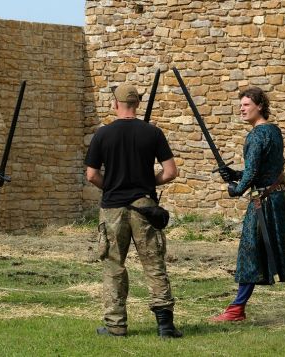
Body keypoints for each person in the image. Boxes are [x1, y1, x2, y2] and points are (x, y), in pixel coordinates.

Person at [84, 84, 182, 338]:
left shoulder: (103, 135)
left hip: (113, 209)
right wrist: (149, 183)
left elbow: (92, 175)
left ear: (115, 105)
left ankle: (116, 325)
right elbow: (170, 172)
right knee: (154, 264)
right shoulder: (153, 133)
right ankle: (165, 325)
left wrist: (112, 186)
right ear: (137, 104)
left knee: (114, 266)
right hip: (144, 207)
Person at [213, 87, 285, 322]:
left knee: (250, 251)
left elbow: (252, 173)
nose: (242, 108)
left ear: (260, 106)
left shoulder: (256, 135)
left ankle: (236, 309)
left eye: (247, 104)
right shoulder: (274, 132)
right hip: (279, 197)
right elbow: (262, 170)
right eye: (240, 105)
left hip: (264, 202)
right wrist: (234, 173)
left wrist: (236, 189)